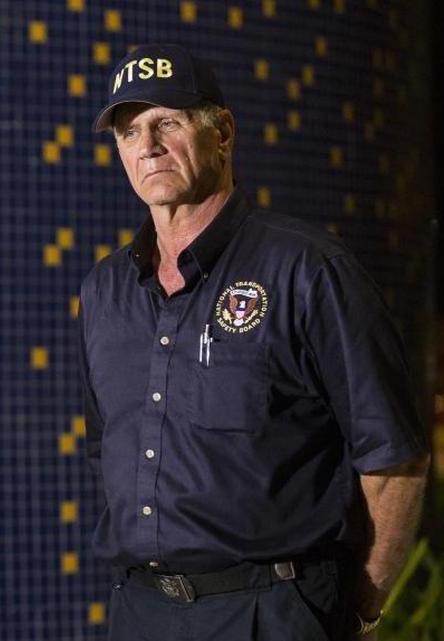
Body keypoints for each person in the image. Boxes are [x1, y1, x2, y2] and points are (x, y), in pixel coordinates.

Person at [80, 44, 430, 641]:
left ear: (223, 133)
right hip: (140, 611)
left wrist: (361, 611)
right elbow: (106, 446)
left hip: (272, 610)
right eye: (130, 130)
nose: (149, 145)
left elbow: (394, 458)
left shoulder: (308, 269)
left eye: (168, 121)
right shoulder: (104, 291)